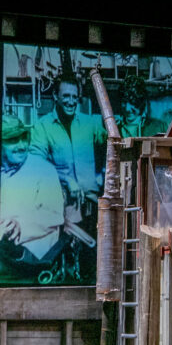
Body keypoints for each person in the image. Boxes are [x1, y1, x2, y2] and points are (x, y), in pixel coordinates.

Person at [28, 74, 106, 265]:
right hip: (64, 203)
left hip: (94, 202)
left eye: (74, 97)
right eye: (66, 96)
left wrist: (102, 173)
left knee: (97, 255)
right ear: (56, 96)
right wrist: (66, 179)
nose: (71, 102)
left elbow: (110, 145)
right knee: (67, 254)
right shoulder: (43, 126)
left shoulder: (90, 123)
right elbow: (36, 163)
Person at [0, 116, 66, 273]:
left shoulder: (44, 169)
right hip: (2, 248)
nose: (22, 146)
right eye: (13, 140)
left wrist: (20, 226)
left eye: (24, 139)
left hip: (33, 254)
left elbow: (55, 215)